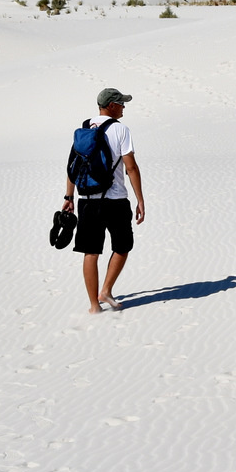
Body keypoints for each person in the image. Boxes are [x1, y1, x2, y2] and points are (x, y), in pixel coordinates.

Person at [63, 87, 145, 313]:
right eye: (121, 103)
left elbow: (73, 167)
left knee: (91, 252)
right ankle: (106, 290)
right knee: (122, 246)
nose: (123, 107)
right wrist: (140, 199)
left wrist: (69, 196)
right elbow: (131, 167)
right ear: (111, 105)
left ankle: (93, 306)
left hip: (87, 200)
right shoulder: (121, 130)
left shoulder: (84, 129)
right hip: (115, 199)